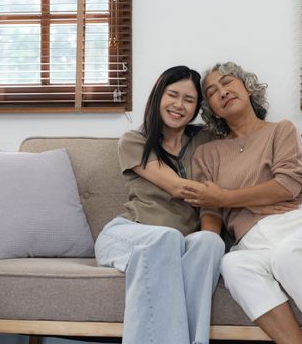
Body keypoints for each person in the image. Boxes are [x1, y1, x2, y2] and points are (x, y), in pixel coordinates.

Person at [188, 62, 302, 344]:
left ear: (247, 87)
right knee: (232, 265)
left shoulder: (282, 130)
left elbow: (287, 186)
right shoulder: (206, 154)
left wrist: (228, 198)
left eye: (228, 82)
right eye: (212, 92)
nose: (223, 92)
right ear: (211, 109)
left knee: (288, 255)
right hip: (253, 241)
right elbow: (210, 208)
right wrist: (212, 234)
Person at [93, 66, 225, 344]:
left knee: (211, 243)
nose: (179, 105)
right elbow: (178, 187)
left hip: (180, 242)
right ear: (158, 96)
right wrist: (229, 193)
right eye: (173, 95)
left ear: (198, 107)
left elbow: (245, 155)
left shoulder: (206, 141)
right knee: (166, 237)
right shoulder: (135, 141)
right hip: (128, 233)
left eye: (189, 100)